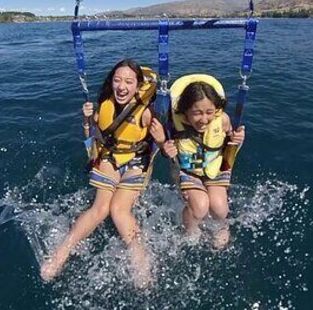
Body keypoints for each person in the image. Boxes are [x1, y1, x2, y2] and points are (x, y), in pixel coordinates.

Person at [40, 59, 166, 287]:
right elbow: (93, 135)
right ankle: (62, 253)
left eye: (128, 81)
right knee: (100, 208)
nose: (121, 86)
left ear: (138, 86)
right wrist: (86, 119)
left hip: (136, 160)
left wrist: (160, 139)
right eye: (117, 80)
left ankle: (140, 258)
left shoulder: (146, 114)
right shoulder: (103, 106)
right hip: (109, 157)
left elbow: (162, 145)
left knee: (118, 209)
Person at [162, 74, 245, 249]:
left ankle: (222, 226)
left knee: (220, 208)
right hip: (188, 171)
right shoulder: (174, 125)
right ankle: (189, 229)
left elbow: (231, 142)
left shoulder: (222, 120)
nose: (204, 119)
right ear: (185, 113)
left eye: (209, 112)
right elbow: (162, 147)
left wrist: (238, 138)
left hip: (215, 168)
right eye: (197, 113)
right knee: (200, 207)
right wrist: (165, 149)